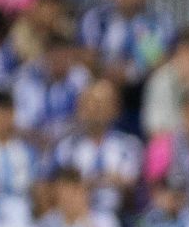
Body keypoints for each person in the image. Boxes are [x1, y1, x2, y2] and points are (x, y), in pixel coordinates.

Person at [49, 79, 140, 219]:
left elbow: (132, 189)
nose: (95, 109)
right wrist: (109, 180)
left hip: (118, 218)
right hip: (74, 218)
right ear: (79, 108)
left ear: (115, 109)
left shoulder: (129, 145)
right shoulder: (66, 148)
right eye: (89, 102)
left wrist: (86, 183)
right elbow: (53, 188)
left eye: (101, 104)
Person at [79, 0, 173, 90]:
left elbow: (160, 61)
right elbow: (87, 56)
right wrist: (107, 71)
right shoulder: (96, 16)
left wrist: (131, 73)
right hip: (104, 81)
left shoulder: (159, 19)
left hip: (144, 86)